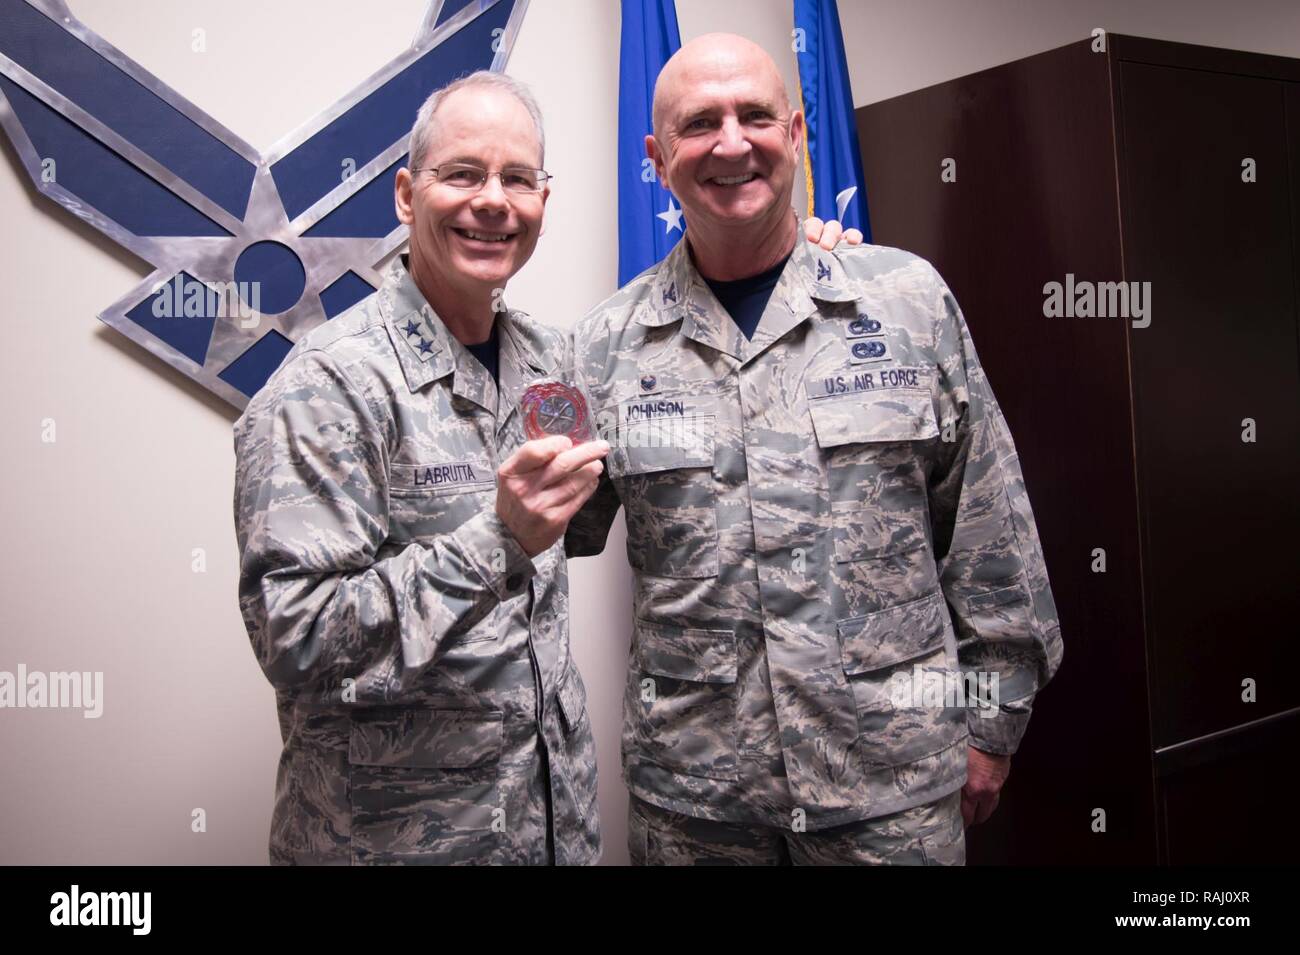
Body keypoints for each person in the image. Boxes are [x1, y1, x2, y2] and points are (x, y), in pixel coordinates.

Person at [567, 34, 1063, 865]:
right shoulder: (604, 347)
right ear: (656, 158)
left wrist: (991, 720)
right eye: (699, 124)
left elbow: (989, 533)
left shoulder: (906, 303)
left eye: (755, 116)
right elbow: (549, 534)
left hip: (890, 794)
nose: (732, 143)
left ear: (795, 134)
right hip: (699, 807)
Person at [232, 71, 609, 865]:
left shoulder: (554, 359)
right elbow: (298, 643)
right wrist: (494, 542)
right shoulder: (328, 383)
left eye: (518, 178)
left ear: (545, 199)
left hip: (550, 830)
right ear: (407, 196)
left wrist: (797, 256)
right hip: (403, 843)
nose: (493, 200)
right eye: (463, 174)